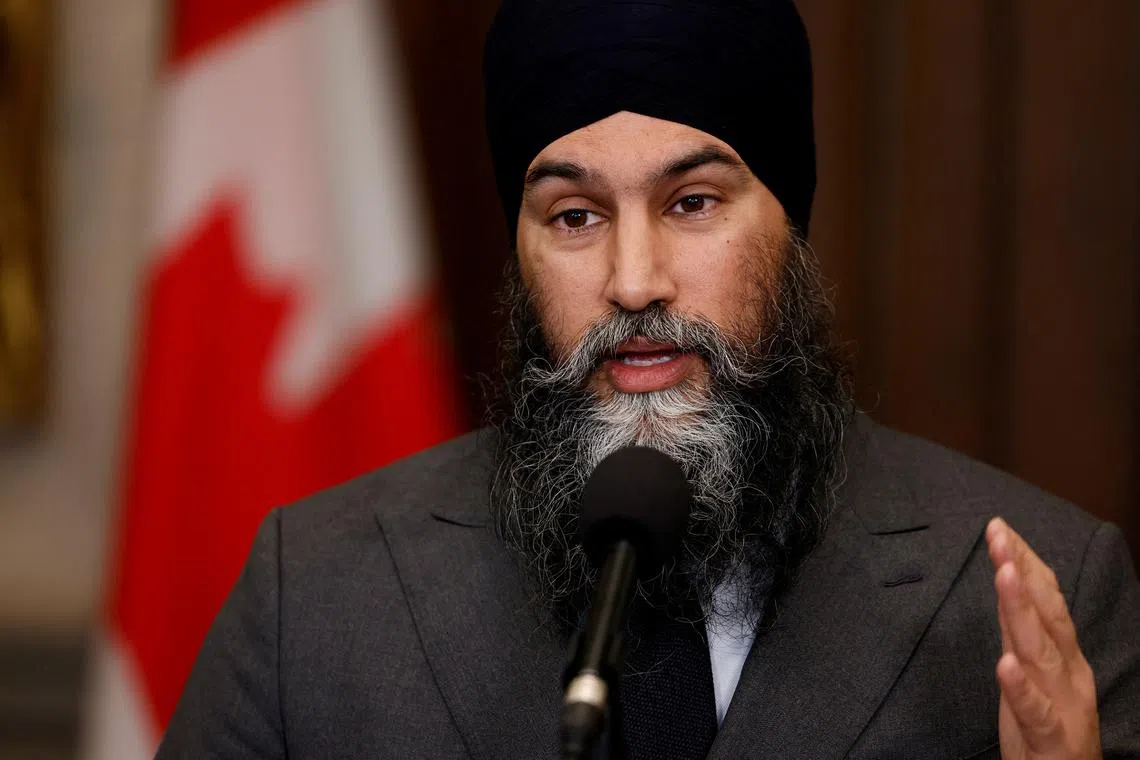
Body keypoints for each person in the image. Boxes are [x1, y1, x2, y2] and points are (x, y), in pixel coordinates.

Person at [156, 1, 1140, 758]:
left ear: (790, 225)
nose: (633, 282)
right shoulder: (318, 592)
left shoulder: (1033, 596)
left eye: (692, 202)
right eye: (575, 216)